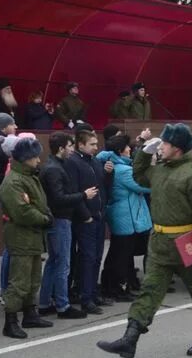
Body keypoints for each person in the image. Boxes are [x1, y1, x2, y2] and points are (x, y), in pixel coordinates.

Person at [97, 123, 192, 358]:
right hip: (161, 243)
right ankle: (129, 339)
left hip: (187, 244)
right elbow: (138, 175)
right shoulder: (160, 170)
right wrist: (144, 152)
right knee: (150, 290)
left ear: (178, 148)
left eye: (164, 143)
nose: (160, 147)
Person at [0, 138, 54, 338]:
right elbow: (21, 211)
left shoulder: (29, 176)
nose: (38, 160)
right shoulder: (13, 181)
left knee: (33, 279)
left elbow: (38, 201)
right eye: (34, 157)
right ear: (25, 159)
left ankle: (30, 314)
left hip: (32, 235)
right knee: (19, 281)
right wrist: (44, 219)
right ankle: (10, 321)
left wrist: (46, 214)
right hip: (21, 236)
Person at [38, 132, 92, 319]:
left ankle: (45, 303)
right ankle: (63, 305)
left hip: (58, 219)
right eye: (69, 146)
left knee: (54, 262)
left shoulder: (55, 166)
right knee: (62, 263)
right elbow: (59, 198)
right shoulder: (54, 169)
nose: (71, 150)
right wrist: (83, 195)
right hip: (60, 220)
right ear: (61, 148)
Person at [97, 135, 152, 301]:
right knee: (121, 254)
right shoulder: (124, 170)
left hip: (122, 214)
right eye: (128, 148)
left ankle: (115, 285)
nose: (130, 150)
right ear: (120, 151)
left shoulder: (117, 166)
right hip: (126, 216)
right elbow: (141, 186)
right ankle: (117, 288)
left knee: (118, 252)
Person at [64, 130, 114, 314]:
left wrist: (109, 174)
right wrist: (86, 215)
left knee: (96, 257)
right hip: (86, 219)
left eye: (96, 143)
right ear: (80, 144)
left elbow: (103, 188)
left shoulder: (95, 162)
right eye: (92, 144)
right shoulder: (73, 163)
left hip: (99, 215)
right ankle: (86, 298)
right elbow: (74, 191)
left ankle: (93, 292)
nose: (96, 147)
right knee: (87, 258)